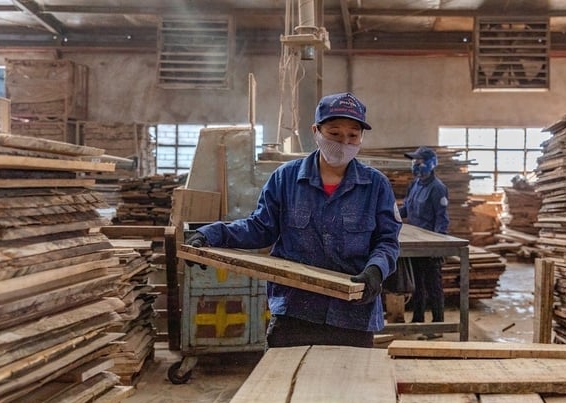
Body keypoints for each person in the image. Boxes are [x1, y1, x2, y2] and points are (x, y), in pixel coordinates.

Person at [185, 92, 401, 348]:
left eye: (352, 136)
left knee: (347, 386)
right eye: (334, 133)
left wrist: (376, 269)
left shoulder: (376, 185)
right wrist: (211, 234)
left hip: (353, 315)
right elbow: (259, 228)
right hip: (295, 312)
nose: (344, 142)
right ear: (316, 131)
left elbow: (387, 240)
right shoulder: (285, 179)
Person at [399, 146, 450, 323]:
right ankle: (418, 319)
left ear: (430, 164)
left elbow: (442, 219)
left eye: (419, 161)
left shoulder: (438, 188)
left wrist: (437, 248)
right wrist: (390, 213)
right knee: (417, 284)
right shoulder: (414, 184)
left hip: (430, 246)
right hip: (415, 244)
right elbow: (407, 209)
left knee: (433, 286)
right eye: (414, 161)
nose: (415, 165)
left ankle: (438, 323)